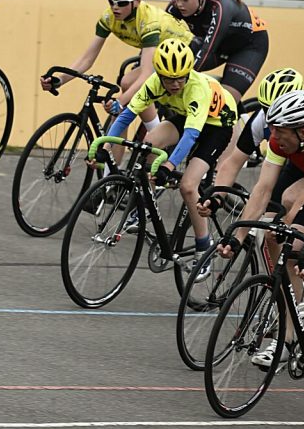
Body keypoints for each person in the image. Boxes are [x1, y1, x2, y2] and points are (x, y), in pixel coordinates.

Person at [215, 90, 304, 366]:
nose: (273, 136)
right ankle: (287, 337)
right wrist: (238, 236)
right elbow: (263, 189)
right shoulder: (280, 141)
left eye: (279, 131)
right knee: (285, 248)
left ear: (303, 132)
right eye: (272, 129)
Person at [98, 39, 238, 280]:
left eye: (180, 78)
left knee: (188, 186)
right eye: (169, 79)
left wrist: (169, 166)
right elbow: (127, 115)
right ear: (160, 75)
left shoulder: (196, 87)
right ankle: (145, 205)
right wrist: (105, 145)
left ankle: (204, 246)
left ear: (188, 73)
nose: (174, 84)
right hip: (187, 115)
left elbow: (192, 135)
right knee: (149, 142)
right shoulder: (154, 82)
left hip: (217, 126)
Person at [40, 0, 194, 137]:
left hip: (186, 53)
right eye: (111, 1)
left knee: (128, 84)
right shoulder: (108, 18)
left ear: (137, 1)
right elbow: (87, 59)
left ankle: (156, 137)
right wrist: (60, 80)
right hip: (161, 53)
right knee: (123, 99)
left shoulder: (148, 22)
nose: (115, 7)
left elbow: (146, 75)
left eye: (121, 3)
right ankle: (113, 155)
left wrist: (120, 101)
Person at [204, 67, 304, 217]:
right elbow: (233, 163)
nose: (271, 122)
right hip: (297, 163)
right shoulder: (260, 120)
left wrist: (290, 222)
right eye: (267, 110)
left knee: (291, 201)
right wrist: (217, 198)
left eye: (279, 113)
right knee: (270, 213)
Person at [167, 0, 269, 104]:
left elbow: (207, 50)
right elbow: (161, 34)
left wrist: (180, 79)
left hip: (248, 47)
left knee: (224, 103)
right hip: (221, 45)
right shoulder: (176, 6)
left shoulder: (221, 6)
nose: (179, 4)